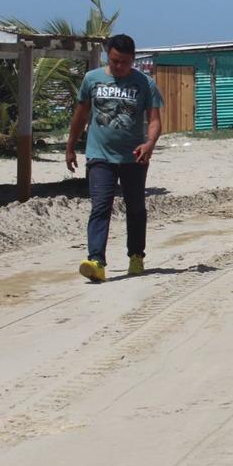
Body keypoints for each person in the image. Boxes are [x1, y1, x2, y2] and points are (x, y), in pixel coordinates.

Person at [65, 33, 164, 283]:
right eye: (115, 61)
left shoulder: (145, 83)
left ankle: (136, 255)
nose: (119, 66)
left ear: (133, 59)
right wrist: (70, 147)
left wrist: (150, 143)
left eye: (125, 62)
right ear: (108, 55)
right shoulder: (92, 79)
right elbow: (80, 115)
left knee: (136, 209)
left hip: (134, 156)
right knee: (100, 206)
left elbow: (154, 120)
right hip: (99, 155)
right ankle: (96, 260)